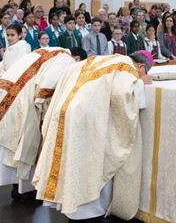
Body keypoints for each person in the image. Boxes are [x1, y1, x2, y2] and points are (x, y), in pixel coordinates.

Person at [33, 51, 149, 221]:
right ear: (141, 66)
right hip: (86, 117)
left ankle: (71, 207)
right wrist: (140, 84)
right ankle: (86, 213)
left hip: (66, 111)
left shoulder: (98, 59)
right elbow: (124, 95)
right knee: (89, 164)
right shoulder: (126, 65)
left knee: (72, 161)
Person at [0, 47, 76, 203]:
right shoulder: (66, 59)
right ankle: (25, 192)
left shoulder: (43, 51)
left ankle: (17, 188)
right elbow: (46, 87)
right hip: (23, 100)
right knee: (25, 143)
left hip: (6, 92)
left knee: (10, 145)